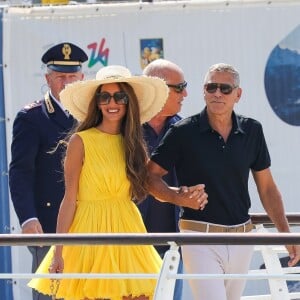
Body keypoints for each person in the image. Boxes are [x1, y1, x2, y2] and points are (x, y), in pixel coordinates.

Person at [27, 65, 206, 300]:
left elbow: (149, 185)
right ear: (97, 102)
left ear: (128, 101)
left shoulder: (132, 143)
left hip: (128, 229)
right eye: (105, 96)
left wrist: (180, 195)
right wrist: (59, 251)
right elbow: (69, 199)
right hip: (88, 232)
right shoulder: (80, 141)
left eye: (119, 96)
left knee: (139, 295)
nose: (112, 102)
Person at [146, 63, 300, 300]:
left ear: (238, 94)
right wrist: (176, 197)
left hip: (242, 237)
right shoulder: (182, 132)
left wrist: (284, 234)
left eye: (225, 88)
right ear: (204, 91)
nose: (217, 93)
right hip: (199, 237)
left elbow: (267, 188)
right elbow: (150, 176)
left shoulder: (252, 130)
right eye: (211, 87)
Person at [9, 42, 88, 300]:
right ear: (48, 78)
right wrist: (28, 219)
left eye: (72, 77)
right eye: (60, 77)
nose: (66, 83)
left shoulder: (93, 116)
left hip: (89, 221)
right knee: (51, 293)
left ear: (82, 78)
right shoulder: (32, 117)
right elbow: (21, 172)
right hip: (49, 223)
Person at [138, 58, 187, 300]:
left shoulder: (186, 130)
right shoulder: (122, 129)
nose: (185, 93)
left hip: (173, 242)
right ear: (156, 88)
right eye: (179, 87)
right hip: (130, 240)